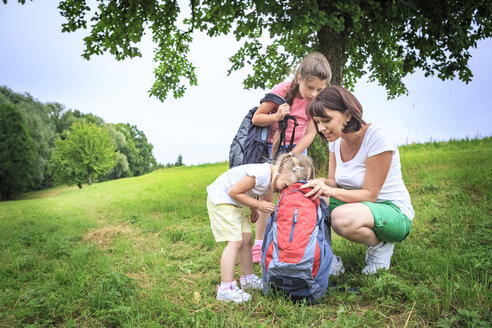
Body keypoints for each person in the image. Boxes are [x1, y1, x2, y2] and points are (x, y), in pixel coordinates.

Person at [300, 86, 414, 275]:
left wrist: (331, 191)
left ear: (347, 114)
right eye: (318, 122)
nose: (321, 128)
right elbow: (333, 181)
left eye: (326, 120)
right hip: (360, 207)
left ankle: (380, 247)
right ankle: (326, 258)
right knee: (313, 197)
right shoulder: (335, 141)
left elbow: (370, 194)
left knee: (340, 218)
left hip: (393, 212)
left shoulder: (378, 138)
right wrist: (313, 183)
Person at [250, 52, 332, 263]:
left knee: (298, 193)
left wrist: (294, 154)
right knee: (268, 195)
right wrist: (277, 116)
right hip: (270, 148)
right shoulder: (281, 91)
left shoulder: (318, 101)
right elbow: (257, 118)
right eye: (310, 88)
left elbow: (311, 133)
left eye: (320, 90)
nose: (314, 94)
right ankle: (260, 245)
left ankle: (293, 241)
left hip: (297, 151)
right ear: (299, 79)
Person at [207, 153, 316, 302]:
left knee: (247, 238)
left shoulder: (270, 179)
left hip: (234, 202)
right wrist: (258, 205)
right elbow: (233, 191)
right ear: (280, 171)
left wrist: (252, 208)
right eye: (284, 186)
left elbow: (251, 191)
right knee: (234, 242)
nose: (281, 191)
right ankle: (225, 288)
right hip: (222, 200)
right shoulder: (262, 174)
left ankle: (247, 278)